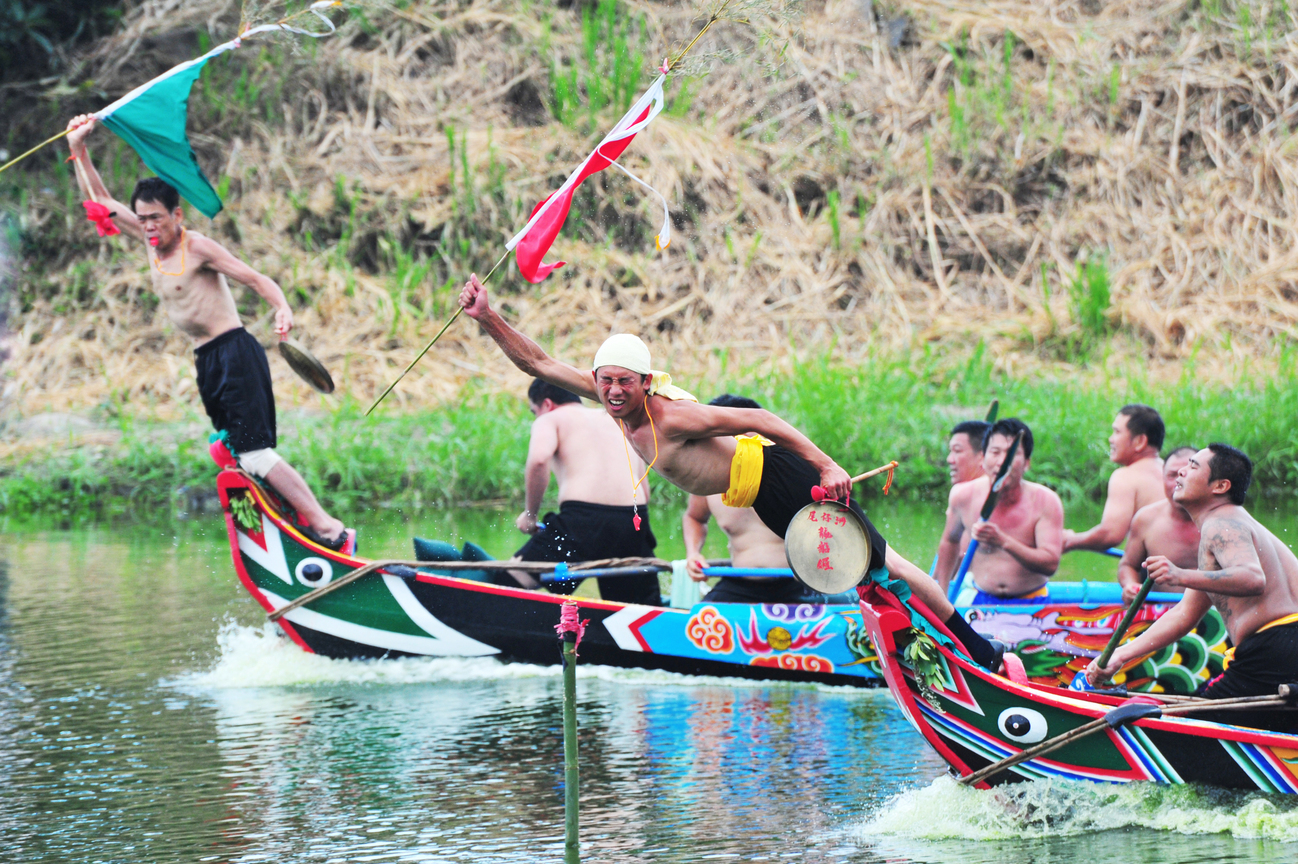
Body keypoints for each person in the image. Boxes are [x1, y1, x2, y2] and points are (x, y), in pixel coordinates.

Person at [456, 275, 1006, 669]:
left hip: (783, 479)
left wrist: (827, 463)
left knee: (886, 566)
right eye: (606, 382)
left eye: (627, 381)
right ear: (597, 382)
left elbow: (759, 418)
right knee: (868, 574)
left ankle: (978, 651)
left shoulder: (671, 416)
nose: (615, 391)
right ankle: (944, 649)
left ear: (646, 382)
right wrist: (487, 318)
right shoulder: (608, 397)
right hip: (760, 493)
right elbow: (540, 363)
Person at [65, 114, 351, 550]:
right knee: (233, 455)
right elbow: (101, 201)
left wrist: (282, 307)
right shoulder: (148, 238)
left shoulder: (195, 246)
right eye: (142, 219)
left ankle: (330, 528)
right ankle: (293, 529)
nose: (148, 227)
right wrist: (78, 148)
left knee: (255, 452)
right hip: (207, 360)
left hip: (235, 354)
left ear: (176, 215)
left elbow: (254, 278)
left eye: (157, 219)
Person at [1087, 445, 1298, 730]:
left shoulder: (1221, 522)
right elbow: (1184, 615)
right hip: (1281, 652)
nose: (1182, 471)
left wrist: (1179, 574)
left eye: (1194, 466)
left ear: (1221, 486)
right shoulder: (1234, 523)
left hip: (1271, 651)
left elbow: (1252, 578)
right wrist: (1119, 657)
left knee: (1186, 727)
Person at [507, 379, 661, 606]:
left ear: (547, 404)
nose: (536, 416)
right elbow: (643, 487)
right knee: (635, 607)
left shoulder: (551, 419)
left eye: (534, 411)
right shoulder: (617, 419)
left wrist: (530, 516)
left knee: (509, 578)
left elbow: (539, 460)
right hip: (634, 522)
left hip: (583, 521)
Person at [683, 395, 825, 604]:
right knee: (699, 622)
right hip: (740, 584)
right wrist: (693, 553)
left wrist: (814, 561)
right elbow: (694, 517)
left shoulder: (792, 469)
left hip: (801, 583)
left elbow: (831, 522)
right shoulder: (708, 479)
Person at [939, 418, 1064, 602]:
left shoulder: (1046, 501)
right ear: (983, 459)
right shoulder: (963, 496)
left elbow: (1050, 563)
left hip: (1033, 602)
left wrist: (1003, 541)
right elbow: (950, 542)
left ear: (1027, 463)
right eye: (995, 452)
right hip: (980, 599)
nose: (1002, 461)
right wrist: (941, 596)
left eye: (1011, 454)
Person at [1063, 404, 1166, 554]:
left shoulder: (1126, 476)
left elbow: (1110, 535)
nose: (1111, 439)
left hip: (1155, 572)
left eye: (1117, 432)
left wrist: (1070, 540)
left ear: (1140, 441)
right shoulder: (1173, 471)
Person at [1117, 446, 1200, 603]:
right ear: (1162, 478)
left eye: (1187, 474)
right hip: (1159, 615)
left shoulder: (1223, 521)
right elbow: (1128, 565)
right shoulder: (1146, 519)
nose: (1179, 482)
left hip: (1214, 616)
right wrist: (1130, 586)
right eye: (1172, 475)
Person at [933, 420, 992, 582]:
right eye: (950, 451)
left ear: (982, 456)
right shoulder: (965, 494)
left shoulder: (970, 496)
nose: (949, 459)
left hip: (977, 596)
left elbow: (959, 555)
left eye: (957, 451)